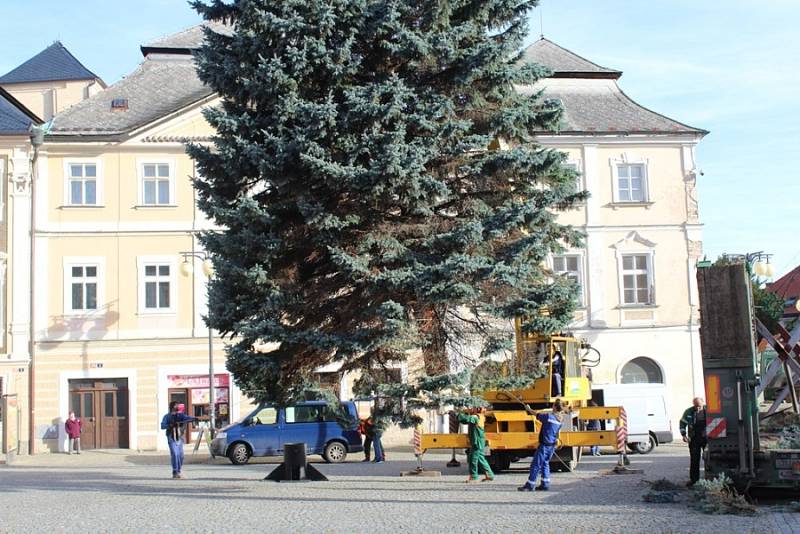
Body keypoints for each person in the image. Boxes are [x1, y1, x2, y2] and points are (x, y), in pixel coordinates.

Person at [519, 399, 564, 492]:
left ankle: (530, 485)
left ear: (555, 407)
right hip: (551, 446)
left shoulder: (548, 417)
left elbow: (536, 414)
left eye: (553, 405)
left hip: (544, 445)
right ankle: (545, 484)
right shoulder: (560, 420)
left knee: (535, 464)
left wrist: (528, 409)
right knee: (545, 463)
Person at [160, 402, 198, 479]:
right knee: (174, 453)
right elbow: (162, 426)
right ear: (172, 407)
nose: (178, 406)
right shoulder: (167, 416)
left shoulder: (181, 415)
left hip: (180, 437)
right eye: (176, 405)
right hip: (171, 437)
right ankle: (175, 471)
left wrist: (193, 419)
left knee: (181, 455)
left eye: (178, 405)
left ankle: (179, 470)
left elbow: (187, 418)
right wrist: (170, 425)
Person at [458, 406, 494, 483]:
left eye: (473, 408)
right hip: (479, 442)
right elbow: (465, 421)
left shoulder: (475, 417)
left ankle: (474, 477)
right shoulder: (481, 417)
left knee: (472, 459)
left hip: (476, 442)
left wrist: (459, 413)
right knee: (481, 459)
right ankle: (490, 475)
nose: (471, 408)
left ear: (477, 410)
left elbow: (464, 419)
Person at [680, 397, 707, 486]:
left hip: (707, 439)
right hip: (694, 438)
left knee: (709, 458)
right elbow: (682, 423)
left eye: (699, 406)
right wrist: (684, 435)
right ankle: (694, 480)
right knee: (694, 459)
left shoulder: (709, 410)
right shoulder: (689, 411)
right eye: (696, 406)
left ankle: (710, 479)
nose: (698, 408)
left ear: (703, 403)